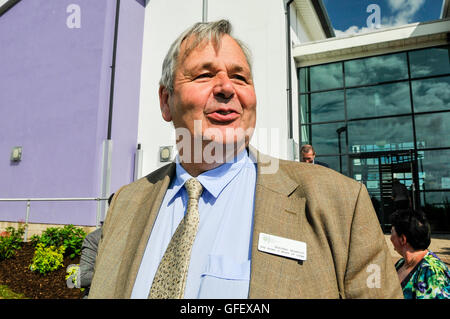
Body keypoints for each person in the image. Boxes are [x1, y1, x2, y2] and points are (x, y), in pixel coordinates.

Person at [88, 20, 402, 299]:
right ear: (166, 101)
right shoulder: (125, 204)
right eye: (204, 74)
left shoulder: (340, 204)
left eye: (240, 77)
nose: (226, 87)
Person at [390, 208, 450, 299]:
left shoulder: (432, 272)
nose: (390, 238)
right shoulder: (401, 263)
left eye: (391, 233)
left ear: (403, 239)